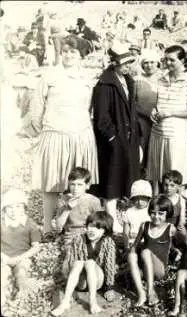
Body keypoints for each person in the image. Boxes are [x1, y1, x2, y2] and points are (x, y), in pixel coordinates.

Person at [30, 37, 99, 233]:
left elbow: (89, 107)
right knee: (51, 181)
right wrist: (40, 128)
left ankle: (78, 224)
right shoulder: (50, 76)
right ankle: (47, 226)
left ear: (81, 56)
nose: (68, 55)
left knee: (79, 183)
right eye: (66, 51)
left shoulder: (87, 78)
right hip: (54, 133)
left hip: (80, 135)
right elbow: (37, 105)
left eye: (73, 52)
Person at [92, 42, 141, 233]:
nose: (128, 67)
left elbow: (132, 109)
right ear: (114, 64)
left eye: (130, 63)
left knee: (126, 173)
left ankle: (125, 216)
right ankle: (111, 218)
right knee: (112, 176)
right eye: (124, 64)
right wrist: (112, 137)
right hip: (115, 138)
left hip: (128, 136)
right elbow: (101, 116)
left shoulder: (127, 81)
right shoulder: (105, 85)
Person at [148, 45, 187, 191]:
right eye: (166, 60)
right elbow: (158, 102)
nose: (168, 63)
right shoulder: (160, 79)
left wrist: (171, 113)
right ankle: (156, 205)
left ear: (182, 60)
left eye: (172, 60)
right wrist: (153, 110)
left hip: (175, 134)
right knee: (156, 174)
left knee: (176, 174)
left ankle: (178, 209)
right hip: (157, 132)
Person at [51, 211, 117, 316]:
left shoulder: (108, 242)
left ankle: (93, 301)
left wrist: (109, 287)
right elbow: (70, 263)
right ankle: (65, 302)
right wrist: (67, 277)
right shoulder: (79, 239)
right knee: (78, 262)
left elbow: (110, 265)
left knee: (90, 262)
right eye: (90, 226)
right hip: (80, 281)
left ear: (105, 231)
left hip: (97, 280)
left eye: (98, 228)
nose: (92, 230)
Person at [127, 195, 177, 307]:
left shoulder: (170, 228)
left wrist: (176, 251)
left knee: (145, 252)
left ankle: (150, 291)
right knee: (132, 254)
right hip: (144, 270)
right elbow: (134, 245)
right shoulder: (145, 225)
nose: (156, 216)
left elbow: (178, 245)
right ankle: (141, 293)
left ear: (167, 213)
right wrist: (132, 255)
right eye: (153, 213)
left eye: (160, 214)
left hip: (159, 271)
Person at [1, 189, 42, 314]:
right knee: (2, 274)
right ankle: (3, 299)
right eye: (10, 208)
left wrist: (19, 258)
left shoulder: (30, 224)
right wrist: (4, 258)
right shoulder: (1, 224)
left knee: (22, 273)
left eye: (18, 207)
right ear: (4, 209)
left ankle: (22, 300)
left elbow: (36, 247)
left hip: (23, 257)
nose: (14, 211)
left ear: (24, 208)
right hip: (4, 258)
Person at [53, 168, 103, 246]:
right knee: (73, 249)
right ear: (69, 184)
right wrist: (68, 209)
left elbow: (100, 223)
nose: (76, 188)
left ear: (87, 186)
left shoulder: (93, 201)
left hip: (89, 233)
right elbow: (58, 226)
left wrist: (88, 233)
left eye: (80, 185)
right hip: (70, 235)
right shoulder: (64, 200)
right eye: (72, 184)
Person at [134, 49, 161, 172]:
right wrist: (145, 113)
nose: (149, 65)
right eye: (146, 62)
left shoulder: (163, 80)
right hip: (141, 121)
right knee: (141, 149)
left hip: (159, 121)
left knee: (156, 151)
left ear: (157, 64)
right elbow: (132, 103)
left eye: (152, 62)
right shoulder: (137, 80)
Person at [122, 180, 152, 250]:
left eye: (143, 198)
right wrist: (126, 246)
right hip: (132, 242)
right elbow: (125, 232)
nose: (139, 202)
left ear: (148, 198)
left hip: (147, 243)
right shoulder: (129, 212)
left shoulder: (151, 211)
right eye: (136, 198)